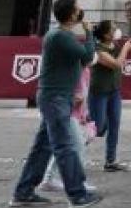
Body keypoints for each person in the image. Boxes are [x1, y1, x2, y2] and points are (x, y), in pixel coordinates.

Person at [10, 0, 102, 208]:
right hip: (55, 99)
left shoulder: (62, 35)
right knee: (65, 146)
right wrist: (89, 33)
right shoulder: (60, 36)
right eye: (79, 9)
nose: (81, 12)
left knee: (43, 147)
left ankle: (23, 192)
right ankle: (77, 195)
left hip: (58, 98)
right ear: (71, 14)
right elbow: (87, 57)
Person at [39, 59, 96, 192]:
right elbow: (70, 93)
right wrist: (73, 99)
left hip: (74, 112)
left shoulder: (85, 71)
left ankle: (49, 179)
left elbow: (84, 94)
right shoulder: (73, 70)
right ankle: (77, 184)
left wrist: (84, 114)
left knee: (62, 145)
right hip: (66, 111)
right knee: (77, 145)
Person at [89, 21, 131, 172]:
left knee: (115, 124)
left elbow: (119, 62)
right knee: (99, 128)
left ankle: (111, 161)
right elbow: (116, 64)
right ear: (106, 34)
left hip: (114, 91)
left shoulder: (114, 46)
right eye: (113, 29)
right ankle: (74, 147)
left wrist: (123, 49)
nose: (116, 31)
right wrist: (126, 49)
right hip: (99, 92)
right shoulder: (98, 49)